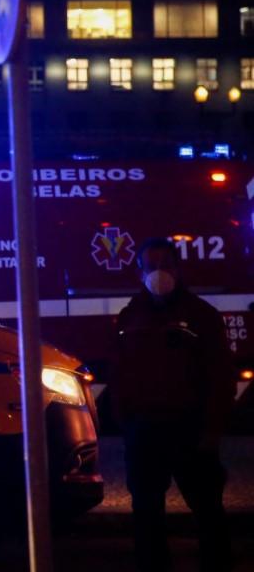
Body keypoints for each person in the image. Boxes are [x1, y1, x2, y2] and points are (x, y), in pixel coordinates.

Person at [112, 237, 234, 572]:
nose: (159, 273)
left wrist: (211, 431)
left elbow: (221, 377)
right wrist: (126, 421)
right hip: (145, 433)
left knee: (208, 511)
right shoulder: (129, 317)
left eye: (165, 265)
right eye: (151, 266)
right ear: (140, 272)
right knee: (147, 516)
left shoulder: (201, 316)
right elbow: (120, 373)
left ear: (177, 269)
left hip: (190, 430)